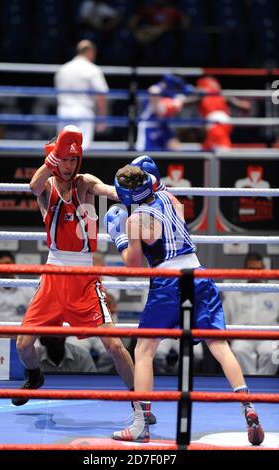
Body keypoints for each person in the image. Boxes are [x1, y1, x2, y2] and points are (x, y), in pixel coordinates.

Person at [104, 156, 264, 445]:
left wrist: (120, 238)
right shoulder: (169, 197)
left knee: (144, 349)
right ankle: (248, 406)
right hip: (199, 274)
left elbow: (134, 264)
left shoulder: (134, 220)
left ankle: (141, 424)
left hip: (168, 281)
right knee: (219, 344)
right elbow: (133, 191)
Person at [12, 125, 138, 408]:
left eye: (72, 159)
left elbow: (108, 191)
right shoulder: (45, 187)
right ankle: (34, 376)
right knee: (23, 345)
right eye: (64, 159)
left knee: (114, 344)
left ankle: (140, 400)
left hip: (84, 278)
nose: (69, 166)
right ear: (55, 158)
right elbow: (32, 186)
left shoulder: (84, 183)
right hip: (54, 274)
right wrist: (53, 159)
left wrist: (132, 191)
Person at [223, 252, 279, 375]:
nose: (255, 272)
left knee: (273, 353)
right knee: (238, 350)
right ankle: (251, 385)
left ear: (264, 270)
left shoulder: (275, 292)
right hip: (242, 337)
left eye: (259, 269)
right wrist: (230, 336)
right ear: (245, 270)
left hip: (268, 338)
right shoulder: (234, 292)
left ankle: (261, 385)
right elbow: (225, 318)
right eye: (251, 269)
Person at [54, 40, 108, 150]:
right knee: (82, 149)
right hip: (83, 112)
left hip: (63, 111)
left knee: (62, 150)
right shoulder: (92, 69)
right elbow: (101, 94)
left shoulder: (63, 69)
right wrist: (102, 118)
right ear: (90, 51)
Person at [196, 75, 251, 150]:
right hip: (222, 121)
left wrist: (179, 101)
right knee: (209, 146)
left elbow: (190, 99)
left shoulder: (214, 93)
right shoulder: (217, 92)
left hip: (215, 121)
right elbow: (243, 106)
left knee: (221, 147)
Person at [0, 251, 36, 322]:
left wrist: (23, 332)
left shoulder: (28, 289)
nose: (5, 268)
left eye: (8, 263)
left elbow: (34, 318)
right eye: (0, 265)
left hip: (21, 331)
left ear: (14, 264)